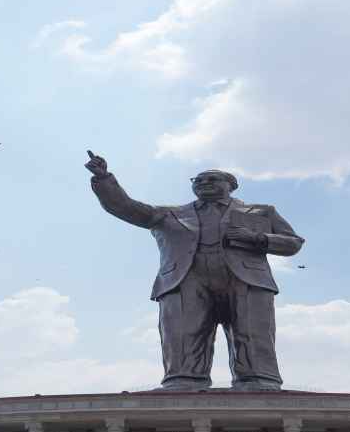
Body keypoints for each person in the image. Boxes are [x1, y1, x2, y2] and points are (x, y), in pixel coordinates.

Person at [85, 151, 304, 390]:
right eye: (197, 180)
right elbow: (125, 207)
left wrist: (258, 238)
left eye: (211, 179)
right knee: (182, 338)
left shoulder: (262, 212)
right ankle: (184, 380)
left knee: (253, 336)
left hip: (246, 280)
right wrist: (104, 179)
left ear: (231, 185)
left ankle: (257, 380)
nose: (203, 183)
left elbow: (292, 243)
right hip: (186, 279)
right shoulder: (168, 214)